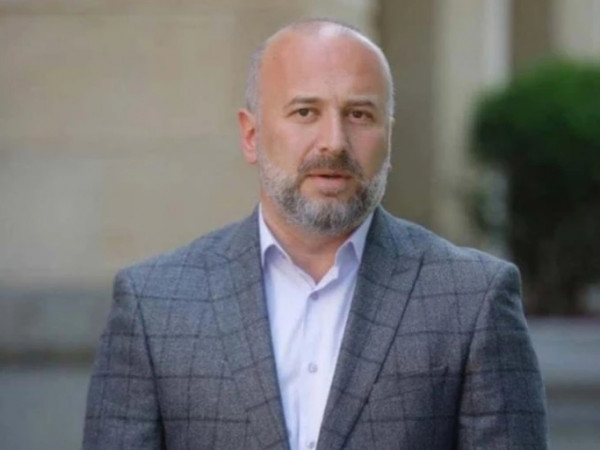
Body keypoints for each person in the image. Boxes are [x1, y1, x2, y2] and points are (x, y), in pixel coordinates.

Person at [83, 19, 547, 450]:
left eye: (359, 115)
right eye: (305, 112)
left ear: (388, 136)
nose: (334, 142)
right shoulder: (154, 305)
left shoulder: (473, 299)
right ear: (251, 135)